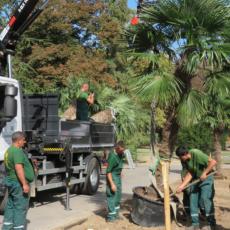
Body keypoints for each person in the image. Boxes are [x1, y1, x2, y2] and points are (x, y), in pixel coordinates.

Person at [176, 146, 217, 230]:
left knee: (205, 198)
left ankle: (211, 223)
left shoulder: (196, 153)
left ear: (184, 154)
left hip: (206, 179)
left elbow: (213, 162)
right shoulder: (186, 161)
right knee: (193, 199)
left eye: (180, 157)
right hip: (196, 179)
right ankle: (195, 224)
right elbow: (190, 173)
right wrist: (182, 186)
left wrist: (205, 173)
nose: (180, 159)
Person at [3, 131, 35, 230]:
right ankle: (18, 228)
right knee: (20, 208)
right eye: (23, 140)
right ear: (19, 140)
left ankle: (7, 227)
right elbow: (18, 168)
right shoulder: (17, 151)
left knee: (10, 205)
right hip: (18, 184)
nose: (24, 142)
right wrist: (24, 184)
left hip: (11, 181)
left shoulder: (8, 150)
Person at [106, 141, 125, 222]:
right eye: (121, 150)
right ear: (117, 149)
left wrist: (120, 172)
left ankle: (116, 214)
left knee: (118, 196)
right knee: (112, 196)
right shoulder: (112, 157)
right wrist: (112, 184)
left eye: (123, 150)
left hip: (117, 177)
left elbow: (120, 163)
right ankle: (111, 217)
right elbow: (108, 172)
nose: (122, 152)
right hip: (112, 177)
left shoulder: (121, 154)